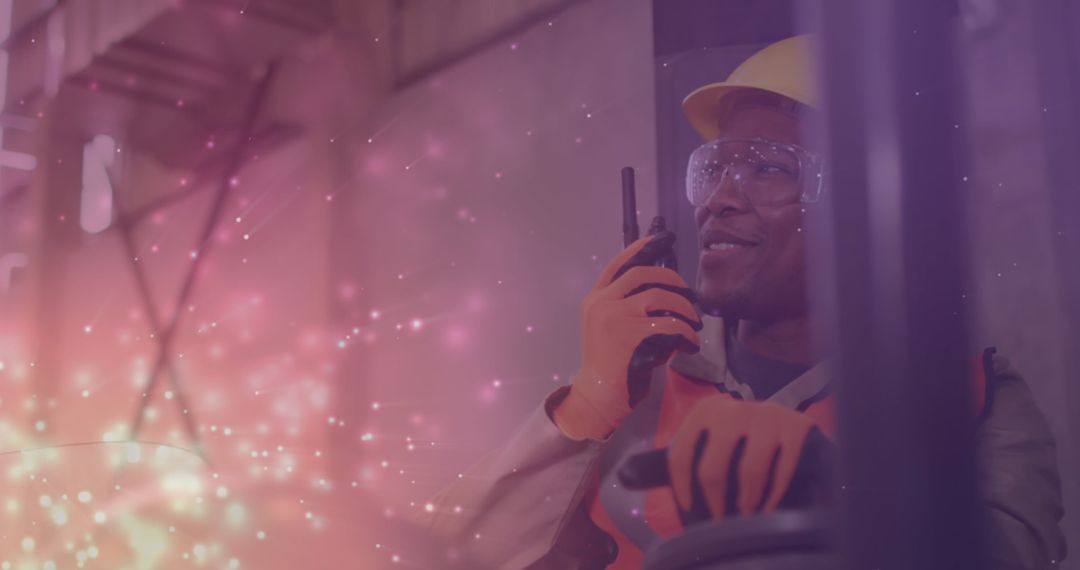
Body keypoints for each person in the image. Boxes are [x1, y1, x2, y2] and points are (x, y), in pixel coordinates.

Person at [421, 35, 1066, 570]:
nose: (718, 199)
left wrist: (836, 493)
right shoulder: (634, 398)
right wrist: (585, 406)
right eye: (716, 167)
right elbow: (445, 560)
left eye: (769, 168)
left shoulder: (968, 396)